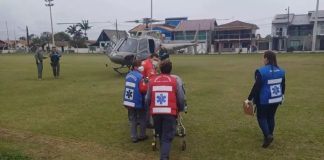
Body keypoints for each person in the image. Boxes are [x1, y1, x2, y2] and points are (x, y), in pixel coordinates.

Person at [146, 60, 185, 160]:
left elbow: (148, 98)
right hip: (169, 113)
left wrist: (149, 108)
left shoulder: (152, 81)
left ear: (160, 69)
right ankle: (164, 157)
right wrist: (180, 108)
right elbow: (181, 98)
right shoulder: (175, 81)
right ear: (170, 69)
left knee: (161, 134)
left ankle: (164, 155)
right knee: (167, 137)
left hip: (156, 113)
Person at [246, 51, 286, 148]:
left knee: (262, 117)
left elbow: (256, 87)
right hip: (276, 98)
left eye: (264, 58)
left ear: (267, 59)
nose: (263, 60)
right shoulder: (281, 71)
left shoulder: (261, 71)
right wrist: (282, 95)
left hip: (264, 99)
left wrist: (249, 99)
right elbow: (283, 85)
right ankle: (269, 136)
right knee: (271, 117)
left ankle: (268, 135)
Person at [123, 60, 148, 143]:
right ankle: (142, 135)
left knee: (132, 119)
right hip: (138, 100)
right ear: (135, 67)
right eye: (140, 65)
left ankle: (133, 136)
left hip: (128, 100)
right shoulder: (140, 76)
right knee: (142, 118)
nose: (141, 67)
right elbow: (144, 89)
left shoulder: (128, 75)